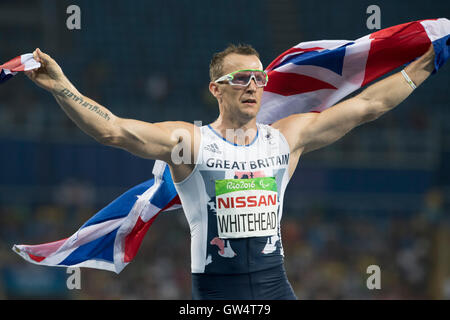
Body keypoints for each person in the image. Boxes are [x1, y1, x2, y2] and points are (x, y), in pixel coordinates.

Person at [25, 43, 436, 299]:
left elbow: (369, 106)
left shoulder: (285, 139)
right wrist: (63, 85)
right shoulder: (190, 143)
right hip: (217, 294)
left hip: (277, 289)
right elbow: (113, 131)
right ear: (216, 89)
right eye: (241, 78)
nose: (254, 85)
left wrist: (430, 62)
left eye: (259, 77)